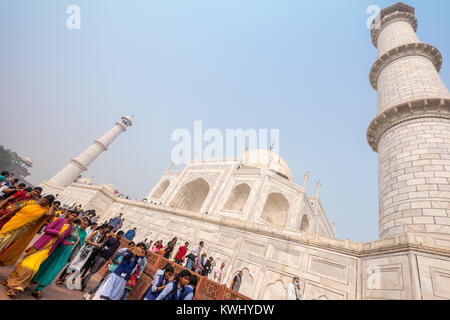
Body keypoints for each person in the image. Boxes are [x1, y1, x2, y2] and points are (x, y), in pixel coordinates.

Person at [5, 210, 78, 297]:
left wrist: (66, 243)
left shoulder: (70, 227)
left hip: (48, 250)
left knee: (32, 268)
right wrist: (57, 232)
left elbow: (61, 239)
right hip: (40, 245)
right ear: (69, 214)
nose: (73, 217)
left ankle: (16, 287)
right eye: (72, 215)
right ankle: (10, 281)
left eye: (75, 216)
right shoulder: (59, 220)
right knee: (24, 264)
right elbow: (47, 229)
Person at [30, 217, 89, 299]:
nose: (84, 226)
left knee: (54, 269)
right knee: (46, 263)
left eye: (86, 225)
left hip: (66, 253)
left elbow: (78, 246)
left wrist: (72, 256)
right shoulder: (74, 227)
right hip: (58, 247)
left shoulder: (84, 234)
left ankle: (39, 288)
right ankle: (34, 278)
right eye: (83, 223)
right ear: (81, 222)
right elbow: (63, 234)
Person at [60, 223, 111, 290]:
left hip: (89, 253)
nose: (107, 230)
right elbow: (86, 240)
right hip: (84, 251)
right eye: (107, 228)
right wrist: (94, 244)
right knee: (73, 264)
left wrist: (99, 245)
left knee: (79, 267)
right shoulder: (95, 232)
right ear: (103, 228)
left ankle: (66, 278)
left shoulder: (101, 236)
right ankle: (62, 278)